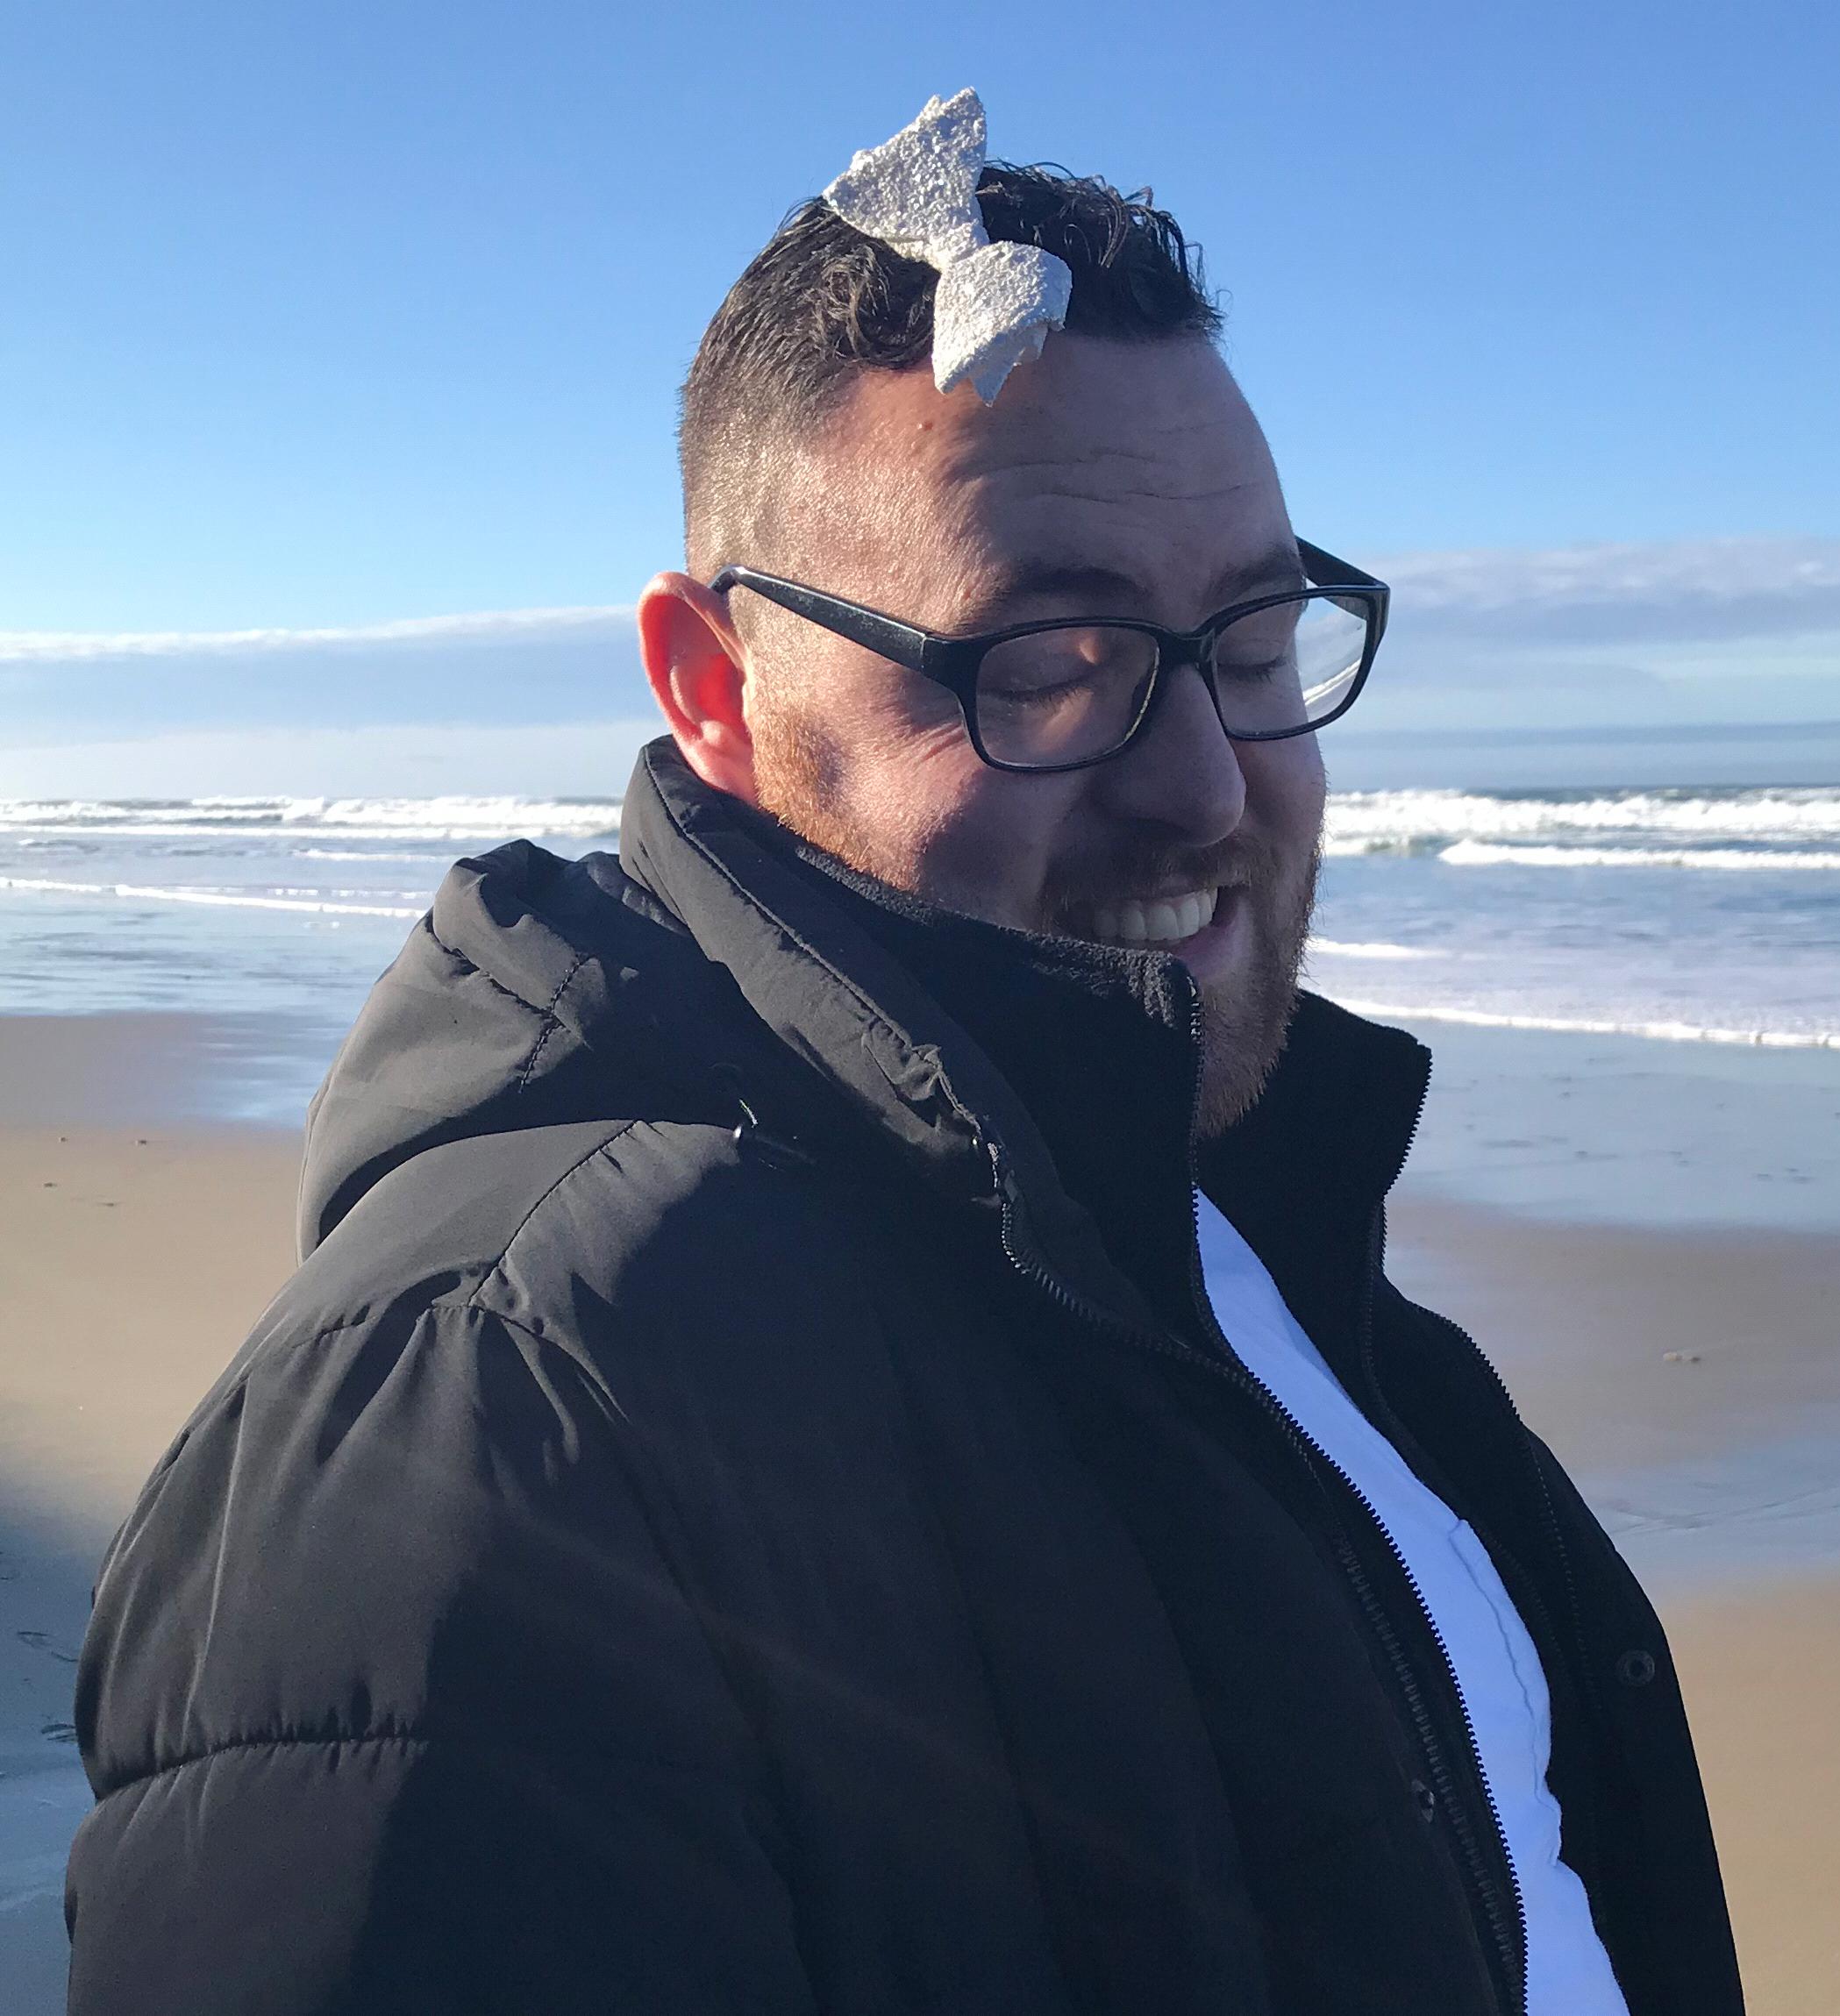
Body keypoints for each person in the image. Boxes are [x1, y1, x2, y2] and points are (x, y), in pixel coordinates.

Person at [65, 93, 1743, 2016]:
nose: (1211, 790)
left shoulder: (1257, 1254)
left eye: (1255, 644)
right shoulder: (495, 1423)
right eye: (1047, 667)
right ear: (715, 687)